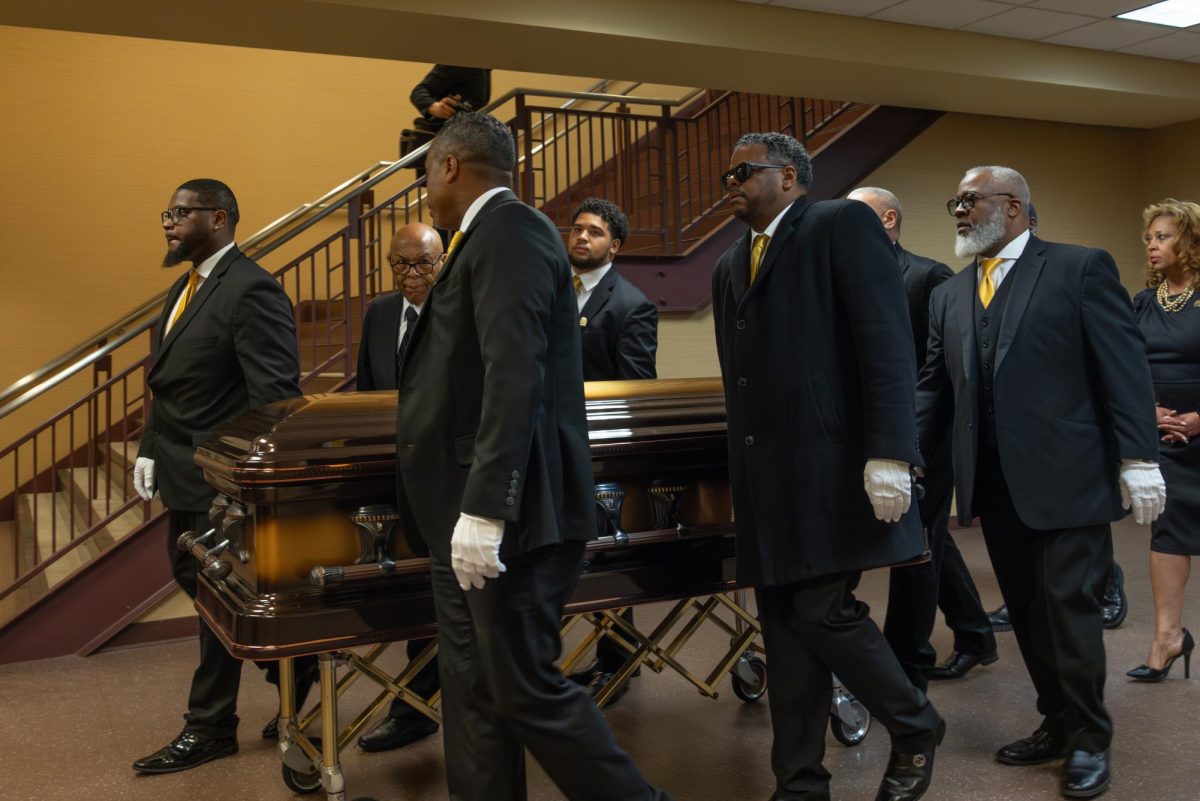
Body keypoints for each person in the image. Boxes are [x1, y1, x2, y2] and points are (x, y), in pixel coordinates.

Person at [394, 111, 671, 801]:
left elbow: (513, 372)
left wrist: (486, 507)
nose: (425, 187)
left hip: (508, 516)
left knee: (524, 687)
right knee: (474, 688)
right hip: (464, 513)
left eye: (427, 171)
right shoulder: (480, 237)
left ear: (451, 166)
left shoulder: (512, 232)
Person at [916, 165, 1164, 799]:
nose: (960, 212)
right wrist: (895, 457)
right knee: (1025, 612)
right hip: (993, 485)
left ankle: (1089, 737)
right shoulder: (950, 295)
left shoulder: (1079, 268)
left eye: (972, 201)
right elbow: (933, 392)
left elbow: (1124, 366)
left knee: (1067, 608)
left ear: (1018, 207)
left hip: (1068, 478)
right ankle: (1055, 721)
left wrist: (1139, 457)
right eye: (956, 202)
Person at [714, 134, 943, 801]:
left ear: (788, 176)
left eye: (742, 170)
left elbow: (886, 341)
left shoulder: (839, 222)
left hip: (836, 467)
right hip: (767, 479)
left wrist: (892, 451)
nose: (729, 181)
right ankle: (800, 782)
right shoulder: (732, 261)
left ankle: (915, 721)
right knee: (784, 632)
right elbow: (742, 380)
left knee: (821, 610)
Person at [132, 179, 315, 773]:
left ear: (219, 217)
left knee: (216, 599)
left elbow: (276, 398)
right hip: (179, 470)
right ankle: (293, 664)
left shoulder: (251, 289)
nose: (169, 222)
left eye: (181, 213)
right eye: (168, 213)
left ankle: (210, 726)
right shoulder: (184, 289)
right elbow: (167, 383)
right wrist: (148, 449)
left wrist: (249, 483)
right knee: (193, 580)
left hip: (220, 483)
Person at [847, 186, 998, 688]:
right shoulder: (845, 275)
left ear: (889, 218)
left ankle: (906, 661)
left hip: (925, 431)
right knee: (929, 537)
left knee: (915, 546)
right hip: (870, 432)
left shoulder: (927, 275)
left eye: (858, 213)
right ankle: (976, 634)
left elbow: (945, 366)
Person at [986, 202, 1131, 635]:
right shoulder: (987, 284)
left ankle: (1106, 584)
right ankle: (1027, 597)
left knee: (1081, 522)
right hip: (1022, 429)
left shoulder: (1077, 268)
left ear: (1027, 221)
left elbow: (1114, 360)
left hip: (1077, 428)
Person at [561, 197, 658, 705]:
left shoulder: (630, 303)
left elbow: (637, 389)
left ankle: (618, 662)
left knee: (607, 557)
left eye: (594, 232)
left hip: (604, 454)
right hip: (558, 447)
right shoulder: (558, 292)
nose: (581, 237)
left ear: (614, 246)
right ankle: (602, 656)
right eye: (576, 229)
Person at [354, 223, 445, 752]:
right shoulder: (381, 313)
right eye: (399, 265)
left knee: (435, 599)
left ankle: (415, 708)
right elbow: (368, 392)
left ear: (442, 261)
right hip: (394, 477)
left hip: (442, 480)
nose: (410, 276)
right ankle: (419, 704)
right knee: (413, 595)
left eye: (422, 264)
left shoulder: (459, 310)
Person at [1126, 198, 1200, 683]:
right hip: (1166, 439)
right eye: (1150, 238)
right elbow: (1126, 366)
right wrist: (1144, 412)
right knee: (1168, 533)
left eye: (1164, 236)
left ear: (1191, 241)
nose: (1152, 245)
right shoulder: (1142, 302)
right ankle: (1167, 638)